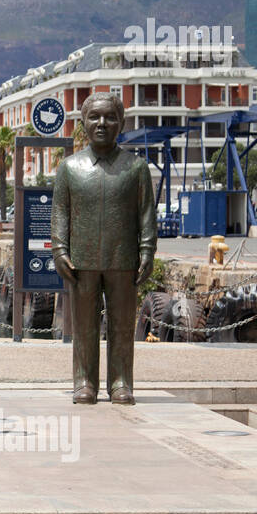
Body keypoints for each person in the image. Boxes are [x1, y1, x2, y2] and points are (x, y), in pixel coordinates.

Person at [53, 92, 156, 406]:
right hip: (80, 260)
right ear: (83, 122)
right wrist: (59, 249)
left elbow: (147, 213)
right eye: (94, 117)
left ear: (120, 122)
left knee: (123, 325)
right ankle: (84, 382)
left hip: (122, 258)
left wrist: (147, 250)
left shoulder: (136, 168)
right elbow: (60, 212)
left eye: (110, 117)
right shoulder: (69, 167)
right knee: (83, 326)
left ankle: (121, 383)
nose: (102, 123)